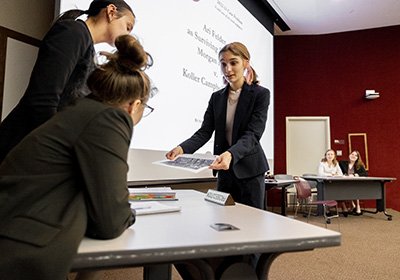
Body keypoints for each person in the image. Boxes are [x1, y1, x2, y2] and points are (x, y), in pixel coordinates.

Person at [0, 34, 153, 280]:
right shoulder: (111, 117)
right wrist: (126, 213)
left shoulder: (80, 110)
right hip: (18, 250)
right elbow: (111, 221)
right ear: (134, 106)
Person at [0, 0, 135, 163]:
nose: (128, 35)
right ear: (111, 12)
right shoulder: (73, 32)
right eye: (128, 26)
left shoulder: (86, 45)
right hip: (23, 146)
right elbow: (42, 99)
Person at [166, 42, 270, 209]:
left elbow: (253, 134)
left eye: (233, 62)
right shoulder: (217, 97)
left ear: (246, 62)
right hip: (225, 172)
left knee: (253, 225)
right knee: (223, 222)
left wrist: (230, 154)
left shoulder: (260, 94)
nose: (227, 69)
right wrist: (182, 148)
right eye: (223, 64)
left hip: (250, 171)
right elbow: (205, 131)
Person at [339, 150, 368, 216]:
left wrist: (355, 175)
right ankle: (346, 207)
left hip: (354, 183)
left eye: (355, 155)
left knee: (354, 188)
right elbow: (338, 172)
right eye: (352, 154)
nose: (353, 156)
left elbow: (365, 174)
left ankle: (357, 206)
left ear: (357, 158)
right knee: (341, 189)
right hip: (343, 183)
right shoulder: (342, 163)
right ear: (349, 155)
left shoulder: (359, 165)